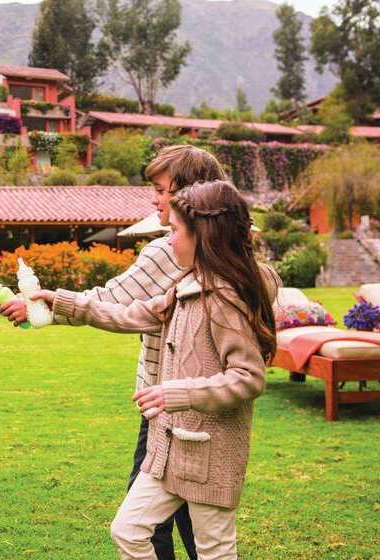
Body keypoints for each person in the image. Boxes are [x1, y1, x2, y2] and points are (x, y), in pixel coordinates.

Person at [1, 145, 227, 560]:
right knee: (197, 526)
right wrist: (52, 303)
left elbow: (118, 302)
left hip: (166, 404)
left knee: (149, 522)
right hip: (201, 405)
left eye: (160, 189)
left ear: (186, 194)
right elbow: (145, 311)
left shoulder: (166, 250)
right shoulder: (226, 254)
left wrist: (47, 305)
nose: (153, 198)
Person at [34, 180, 278, 559]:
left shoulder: (225, 298)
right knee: (128, 531)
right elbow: (131, 314)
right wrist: (60, 302)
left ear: (204, 237)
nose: (170, 240)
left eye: (175, 231)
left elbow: (248, 377)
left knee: (214, 552)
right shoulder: (186, 285)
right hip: (168, 450)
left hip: (210, 457)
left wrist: (175, 393)